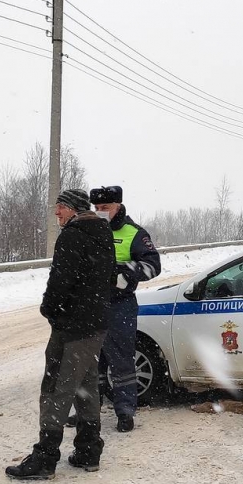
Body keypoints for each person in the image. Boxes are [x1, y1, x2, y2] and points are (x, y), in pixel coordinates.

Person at [6, 189, 115, 480]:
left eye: (61, 208)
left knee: (56, 387)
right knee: (87, 385)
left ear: (74, 209)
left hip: (72, 326)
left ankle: (45, 457)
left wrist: (49, 309)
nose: (57, 214)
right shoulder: (103, 234)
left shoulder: (72, 235)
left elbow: (60, 281)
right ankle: (89, 449)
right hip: (95, 323)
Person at [84, 185, 161, 433]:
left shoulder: (134, 233)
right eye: (96, 208)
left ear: (117, 206)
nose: (100, 212)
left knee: (121, 362)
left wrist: (121, 275)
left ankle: (125, 412)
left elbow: (152, 266)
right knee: (89, 362)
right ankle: (87, 410)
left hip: (120, 305)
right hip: (92, 305)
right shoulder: (88, 230)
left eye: (105, 208)